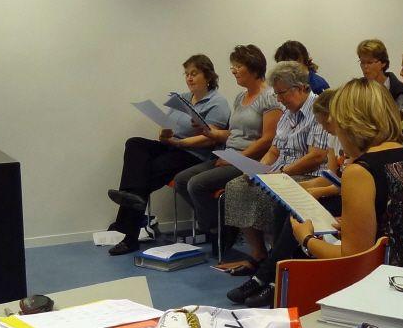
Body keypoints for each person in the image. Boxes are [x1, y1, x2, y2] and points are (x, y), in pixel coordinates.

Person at [289, 78, 403, 270]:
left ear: (349, 123)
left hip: (383, 281)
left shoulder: (360, 172)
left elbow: (353, 258)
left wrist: (306, 238)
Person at [106, 54, 231, 255]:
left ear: (208, 76)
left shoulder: (218, 102)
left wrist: (179, 142)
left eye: (194, 74)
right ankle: (131, 200)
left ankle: (129, 233)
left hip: (194, 154)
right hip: (174, 145)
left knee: (146, 174)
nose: (189, 78)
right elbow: (167, 127)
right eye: (186, 74)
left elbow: (210, 139)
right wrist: (164, 135)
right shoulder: (182, 98)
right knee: (134, 144)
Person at [222, 62, 330, 284]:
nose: (278, 99)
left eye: (282, 93)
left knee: (270, 195)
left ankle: (276, 258)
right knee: (237, 186)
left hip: (308, 174)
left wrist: (282, 172)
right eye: (276, 94)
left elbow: (317, 156)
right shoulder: (287, 113)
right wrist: (257, 169)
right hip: (280, 171)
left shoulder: (317, 110)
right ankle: (259, 254)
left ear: (300, 88)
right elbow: (274, 150)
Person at [172, 45, 281, 260]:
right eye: (233, 66)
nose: (233, 71)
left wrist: (238, 158)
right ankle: (223, 226)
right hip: (229, 154)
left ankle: (218, 230)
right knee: (181, 180)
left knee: (197, 184)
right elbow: (233, 133)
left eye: (238, 66)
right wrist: (210, 132)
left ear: (253, 67)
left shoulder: (269, 97)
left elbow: (268, 139)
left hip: (250, 159)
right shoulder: (240, 97)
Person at [357, 39, 403, 108]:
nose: (365, 66)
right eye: (362, 62)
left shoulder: (398, 90)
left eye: (370, 62)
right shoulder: (357, 88)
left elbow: (399, 114)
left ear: (383, 63)